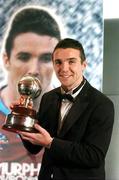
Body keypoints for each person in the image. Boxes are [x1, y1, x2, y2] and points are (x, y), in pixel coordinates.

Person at [19, 38, 114, 180]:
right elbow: (34, 147)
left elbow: (94, 156)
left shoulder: (102, 104)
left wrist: (51, 143)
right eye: (58, 62)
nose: (64, 68)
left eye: (71, 61)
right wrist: (23, 119)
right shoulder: (48, 98)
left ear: (84, 65)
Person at [0, 5, 61, 178]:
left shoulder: (70, 113)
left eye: (45, 58)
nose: (34, 69)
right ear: (6, 60)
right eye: (24, 57)